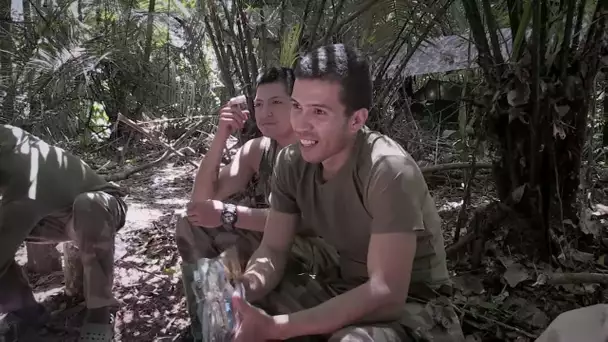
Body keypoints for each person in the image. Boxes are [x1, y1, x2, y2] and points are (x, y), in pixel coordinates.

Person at [228, 44, 466, 342]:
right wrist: (242, 292)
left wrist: (277, 327)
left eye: (318, 111)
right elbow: (274, 249)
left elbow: (386, 293)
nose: (300, 124)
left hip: (416, 310)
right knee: (241, 287)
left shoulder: (388, 170)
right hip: (342, 287)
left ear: (356, 120)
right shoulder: (291, 162)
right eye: (297, 107)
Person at [175, 67, 337, 341]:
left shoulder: (315, 148)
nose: (265, 113)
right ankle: (209, 321)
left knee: (225, 221)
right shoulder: (259, 149)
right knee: (189, 220)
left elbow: (303, 220)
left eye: (276, 102)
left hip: (316, 249)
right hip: (275, 242)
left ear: (297, 104)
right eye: (259, 104)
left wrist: (230, 214)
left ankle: (239, 311)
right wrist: (221, 135)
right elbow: (200, 202)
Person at [0, 124, 127, 342]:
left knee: (89, 205)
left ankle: (100, 312)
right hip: (47, 216)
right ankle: (28, 314)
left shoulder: (21, 167)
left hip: (99, 208)